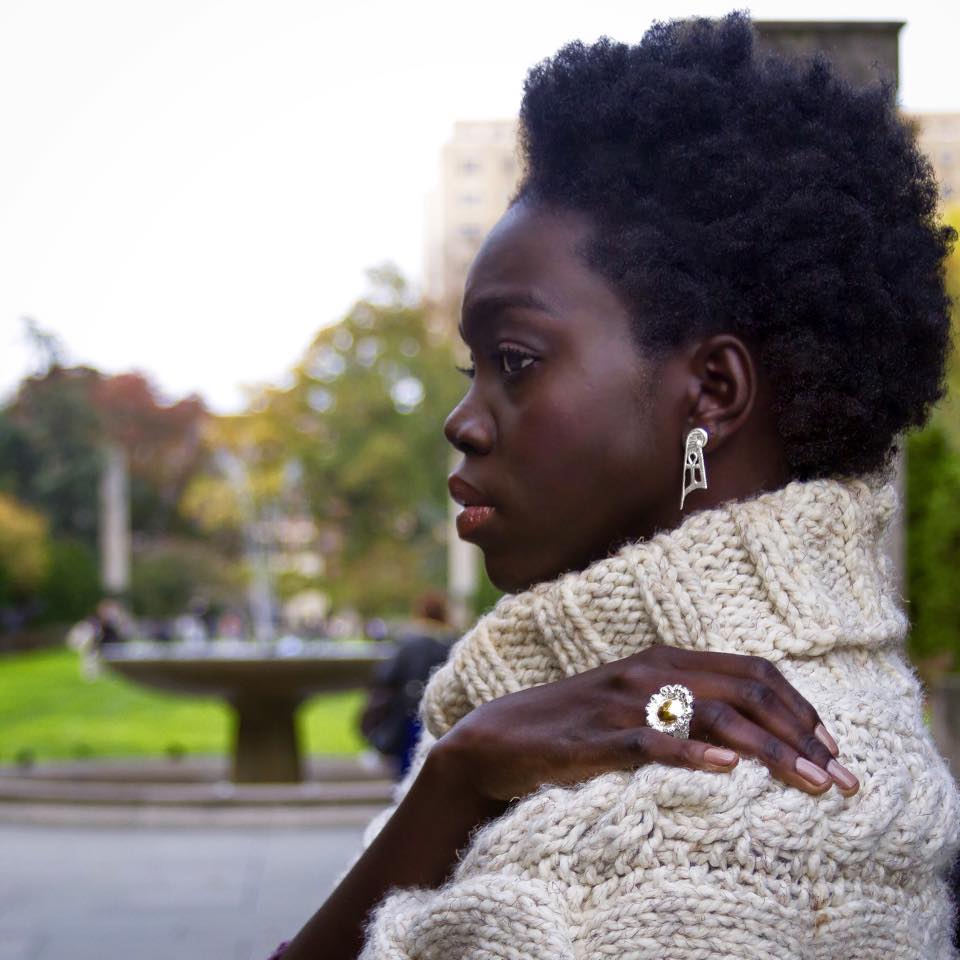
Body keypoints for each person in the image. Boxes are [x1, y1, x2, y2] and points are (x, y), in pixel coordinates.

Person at [274, 13, 960, 958]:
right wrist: (457, 777)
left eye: (515, 360)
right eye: (471, 369)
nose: (463, 421)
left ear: (711, 391)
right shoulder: (587, 705)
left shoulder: (716, 825)